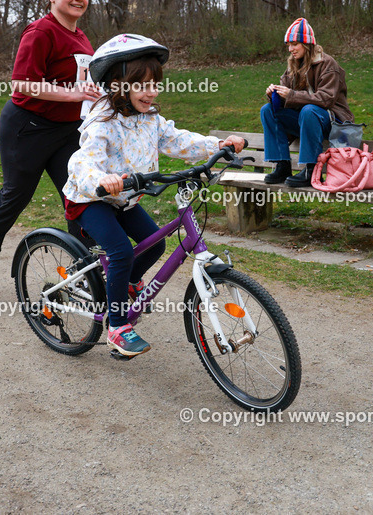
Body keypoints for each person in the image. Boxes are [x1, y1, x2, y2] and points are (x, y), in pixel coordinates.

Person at [62, 34, 245, 358]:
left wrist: (216, 145)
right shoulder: (102, 122)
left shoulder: (149, 119)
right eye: (142, 85)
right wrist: (101, 178)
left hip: (125, 199)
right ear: (119, 86)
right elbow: (81, 162)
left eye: (155, 84)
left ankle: (126, 283)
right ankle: (117, 326)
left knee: (155, 243)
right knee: (121, 252)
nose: (152, 92)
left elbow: (177, 140)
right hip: (90, 200)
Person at [0, 0, 102, 292]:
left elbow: (80, 81)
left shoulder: (81, 37)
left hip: (68, 129)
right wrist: (72, 94)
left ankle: (84, 270)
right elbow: (23, 83)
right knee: (17, 195)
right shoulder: (40, 32)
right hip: (28, 126)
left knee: (77, 194)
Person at [260, 18, 354, 187]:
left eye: (295, 44)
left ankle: (311, 170)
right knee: (267, 110)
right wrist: (274, 95)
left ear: (307, 44)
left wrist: (292, 95)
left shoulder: (328, 64)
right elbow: (287, 99)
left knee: (309, 110)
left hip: (334, 123)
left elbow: (326, 99)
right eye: (288, 45)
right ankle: (282, 166)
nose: (291, 49)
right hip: (306, 121)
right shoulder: (293, 65)